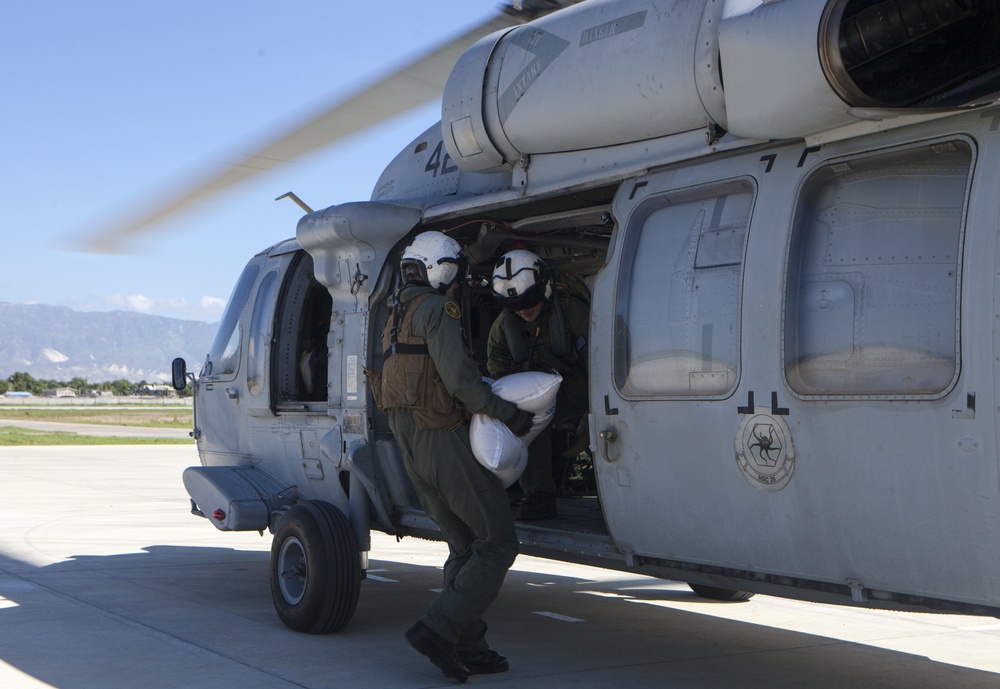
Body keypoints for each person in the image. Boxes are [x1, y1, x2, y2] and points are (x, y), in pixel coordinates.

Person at [378, 231, 534, 683]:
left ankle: (470, 645)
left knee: (465, 544)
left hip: (408, 442)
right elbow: (463, 384)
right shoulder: (437, 309)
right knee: (499, 541)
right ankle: (438, 628)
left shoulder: (396, 314)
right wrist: (511, 416)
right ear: (443, 268)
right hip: (439, 437)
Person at [487, 249, 590, 520]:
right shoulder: (505, 325)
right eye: (514, 306)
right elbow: (496, 364)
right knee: (527, 426)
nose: (522, 310)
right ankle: (539, 495)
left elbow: (598, 360)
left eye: (528, 301)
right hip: (537, 398)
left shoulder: (572, 313)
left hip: (577, 391)